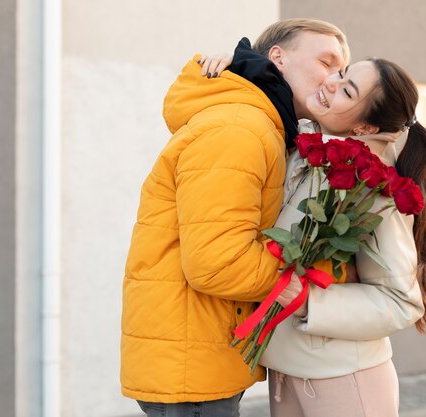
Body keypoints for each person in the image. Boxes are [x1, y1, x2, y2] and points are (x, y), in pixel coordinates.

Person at [120, 18, 350, 417]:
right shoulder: (239, 128)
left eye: (342, 71)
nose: (333, 79)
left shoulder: (263, 126)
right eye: (326, 62)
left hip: (200, 356)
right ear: (277, 58)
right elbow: (217, 263)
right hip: (193, 370)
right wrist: (310, 278)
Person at [202, 56, 426, 417]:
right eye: (341, 73)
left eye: (347, 90)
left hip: (345, 378)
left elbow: (401, 301)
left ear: (364, 127)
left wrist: (307, 302)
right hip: (285, 371)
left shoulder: (370, 189)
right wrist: (237, 63)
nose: (331, 82)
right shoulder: (304, 151)